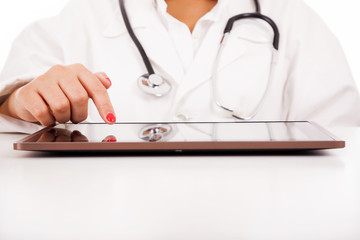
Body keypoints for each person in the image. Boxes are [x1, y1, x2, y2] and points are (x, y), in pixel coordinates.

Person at [0, 0, 359, 133]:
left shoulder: (294, 18)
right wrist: (19, 101)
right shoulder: (77, 18)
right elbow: (10, 107)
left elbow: (341, 141)